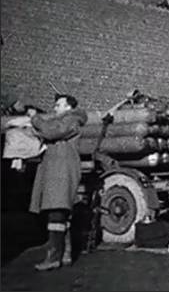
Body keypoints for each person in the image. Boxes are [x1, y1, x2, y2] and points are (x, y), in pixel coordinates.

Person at [28, 94, 87, 271]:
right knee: (60, 215)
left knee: (56, 214)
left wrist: (35, 118)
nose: (55, 108)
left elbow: (53, 132)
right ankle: (66, 254)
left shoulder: (71, 120)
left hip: (62, 172)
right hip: (58, 172)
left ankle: (53, 258)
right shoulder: (64, 120)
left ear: (69, 107)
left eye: (59, 105)